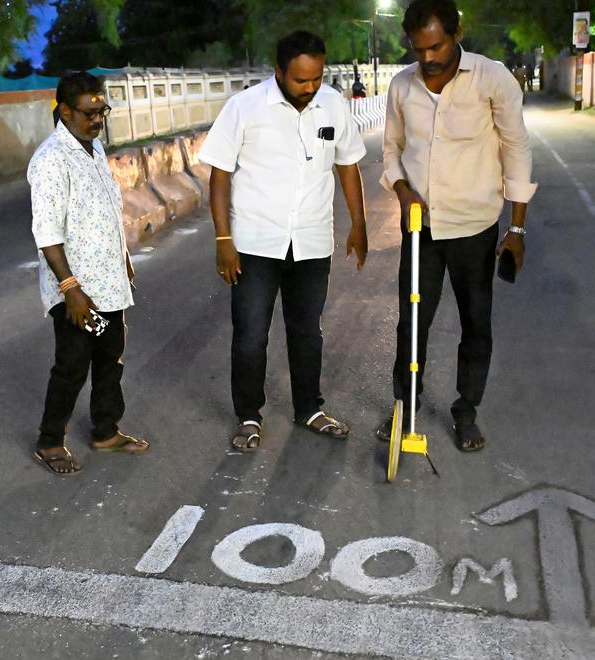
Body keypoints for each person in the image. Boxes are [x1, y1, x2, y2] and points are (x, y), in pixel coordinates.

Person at [375, 0, 536, 452]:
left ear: (456, 34)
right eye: (418, 49)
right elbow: (391, 150)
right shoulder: (401, 86)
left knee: (475, 324)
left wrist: (517, 229)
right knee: (412, 322)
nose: (427, 58)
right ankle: (406, 406)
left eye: (436, 46)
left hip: (475, 227)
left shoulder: (492, 78)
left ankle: (466, 411)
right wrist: (402, 190)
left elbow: (516, 149)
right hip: (420, 229)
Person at [199, 31, 369, 450]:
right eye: (300, 80)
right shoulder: (245, 107)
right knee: (251, 335)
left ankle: (309, 408)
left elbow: (348, 166)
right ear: (278, 71)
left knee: (307, 331)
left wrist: (359, 223)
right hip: (254, 243)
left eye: (317, 78)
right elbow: (220, 174)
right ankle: (248, 416)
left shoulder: (333, 104)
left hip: (312, 241)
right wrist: (223, 238)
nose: (310, 88)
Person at [27, 71, 149, 475]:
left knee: (111, 357)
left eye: (102, 111)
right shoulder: (51, 160)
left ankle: (105, 431)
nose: (98, 120)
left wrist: (122, 258)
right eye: (89, 113)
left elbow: (104, 211)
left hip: (108, 283)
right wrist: (70, 289)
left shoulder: (92, 147)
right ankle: (50, 441)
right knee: (72, 365)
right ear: (65, 111)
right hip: (78, 292)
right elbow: (47, 234)